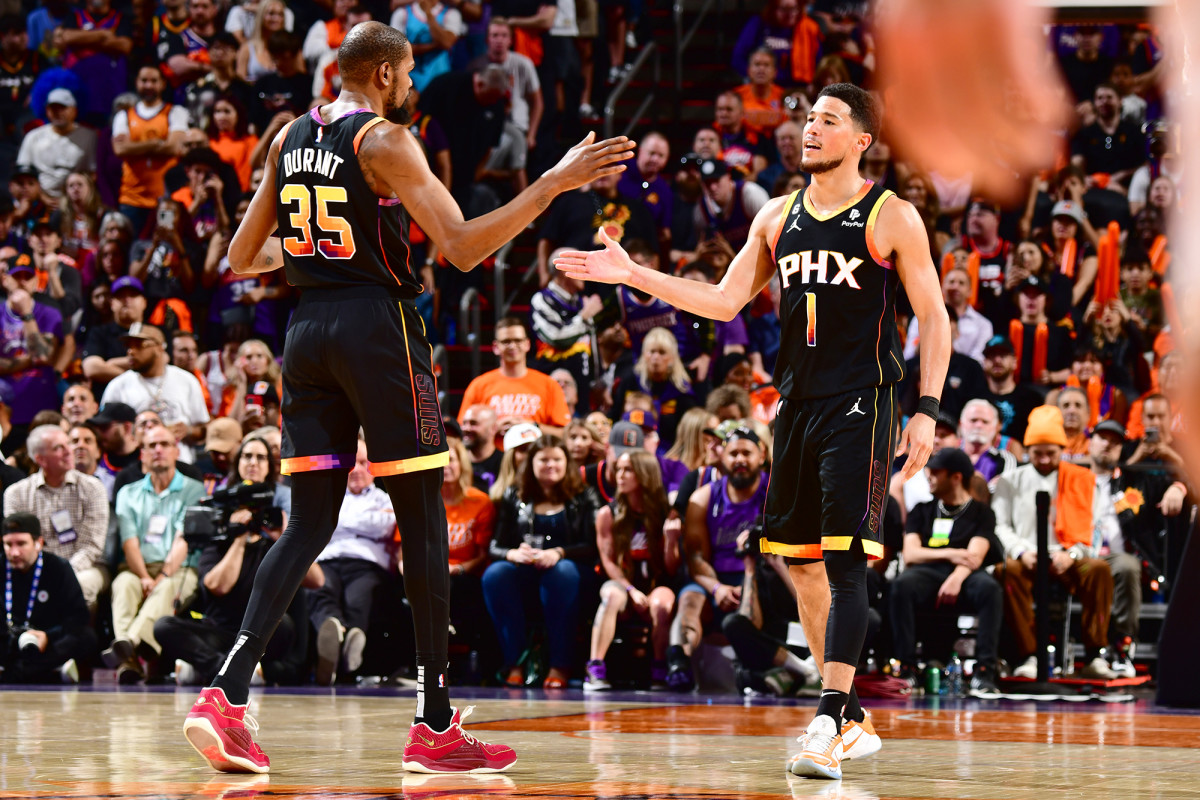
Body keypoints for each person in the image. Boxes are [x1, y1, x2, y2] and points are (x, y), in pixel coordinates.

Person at [182, 20, 632, 775]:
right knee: (422, 515)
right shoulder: (385, 141)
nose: (415, 85)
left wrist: (316, 255)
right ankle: (433, 722)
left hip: (307, 331)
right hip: (377, 328)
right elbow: (461, 246)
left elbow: (238, 257)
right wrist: (555, 181)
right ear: (387, 74)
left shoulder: (290, 134)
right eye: (412, 72)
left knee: (309, 520)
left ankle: (226, 693)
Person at [556, 82, 950, 779]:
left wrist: (926, 407)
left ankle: (828, 719)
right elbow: (722, 299)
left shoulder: (892, 216)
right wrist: (633, 273)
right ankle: (851, 715)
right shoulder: (776, 214)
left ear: (862, 140)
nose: (811, 129)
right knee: (797, 561)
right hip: (793, 408)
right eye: (809, 119)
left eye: (830, 121)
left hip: (864, 402)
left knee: (844, 557)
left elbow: (934, 315)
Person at [992, 406, 1116, 681]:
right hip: (1028, 558)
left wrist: (1071, 554)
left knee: (1097, 570)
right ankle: (1029, 655)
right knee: (1006, 571)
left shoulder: (1082, 480)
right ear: (1027, 451)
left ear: (1063, 449)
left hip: (1070, 557)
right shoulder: (1010, 481)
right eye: (1038, 453)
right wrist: (1021, 551)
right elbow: (1000, 525)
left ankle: (1095, 654)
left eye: (1052, 452)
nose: (1045, 459)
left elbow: (1092, 528)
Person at [482, 435, 597, 689]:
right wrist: (513, 554)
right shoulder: (515, 494)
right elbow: (494, 546)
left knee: (561, 573)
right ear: (531, 463)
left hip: (571, 573)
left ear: (567, 462)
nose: (550, 465)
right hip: (526, 569)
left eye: (557, 459)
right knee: (496, 574)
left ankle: (560, 665)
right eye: (543, 459)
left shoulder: (584, 495)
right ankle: (515, 662)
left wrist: (558, 553)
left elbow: (592, 546)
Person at [889, 448, 1003, 696]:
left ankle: (984, 672)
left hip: (965, 575)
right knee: (901, 586)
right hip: (928, 572)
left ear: (956, 477)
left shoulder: (982, 513)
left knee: (990, 589)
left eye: (935, 472)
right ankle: (907, 669)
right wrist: (950, 553)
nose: (928, 477)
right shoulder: (922, 510)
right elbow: (911, 554)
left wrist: (956, 578)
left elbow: (975, 556)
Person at [106, 424, 207, 682]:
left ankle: (127, 645)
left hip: (180, 568)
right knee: (123, 584)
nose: (158, 450)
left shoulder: (194, 489)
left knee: (166, 588)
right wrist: (142, 576)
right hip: (138, 567)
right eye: (151, 446)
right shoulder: (128, 492)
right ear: (142, 454)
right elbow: (130, 542)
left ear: (176, 451)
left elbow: (182, 539)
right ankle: (132, 658)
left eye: (164, 444)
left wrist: (160, 576)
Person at [584, 450, 680, 690]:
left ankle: (659, 669)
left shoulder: (664, 511)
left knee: (661, 603)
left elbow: (671, 568)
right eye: (618, 469)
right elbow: (608, 562)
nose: (620, 475)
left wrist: (670, 541)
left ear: (645, 475)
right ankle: (595, 667)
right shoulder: (608, 513)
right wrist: (630, 589)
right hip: (622, 584)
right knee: (611, 595)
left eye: (628, 470)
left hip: (656, 584)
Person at [3, 425, 111, 614]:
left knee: (80, 586)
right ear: (40, 459)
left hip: (87, 567)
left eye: (68, 444)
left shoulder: (93, 488)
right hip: (33, 567)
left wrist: (62, 574)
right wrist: (43, 571)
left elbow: (92, 546)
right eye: (58, 448)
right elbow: (18, 543)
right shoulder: (16, 494)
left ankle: (78, 640)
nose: (69, 450)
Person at [0, 513, 96, 684]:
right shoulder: (2, 567)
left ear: (39, 543)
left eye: (21, 544)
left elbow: (78, 617)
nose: (14, 552)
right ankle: (49, 674)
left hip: (47, 641)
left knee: (85, 637)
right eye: (8, 545)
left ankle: (17, 673)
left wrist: (48, 636)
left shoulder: (58, 568)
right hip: (10, 641)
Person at [100, 323, 210, 462]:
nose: (131, 351)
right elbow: (105, 434)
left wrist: (188, 430)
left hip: (181, 465)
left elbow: (203, 430)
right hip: (134, 466)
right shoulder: (118, 386)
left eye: (139, 345)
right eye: (128, 346)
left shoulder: (186, 381)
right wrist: (130, 435)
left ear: (160, 348)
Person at [458, 317, 571, 436]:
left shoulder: (549, 385)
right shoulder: (479, 386)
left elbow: (564, 434)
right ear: (496, 347)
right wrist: (493, 428)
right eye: (506, 341)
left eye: (518, 340)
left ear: (527, 344)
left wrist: (531, 426)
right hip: (493, 453)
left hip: (534, 452)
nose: (512, 346)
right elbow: (463, 430)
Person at [15, 88, 97, 203]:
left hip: (76, 201)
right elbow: (22, 173)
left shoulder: (89, 136)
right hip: (38, 202)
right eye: (53, 108)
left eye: (62, 108)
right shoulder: (33, 137)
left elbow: (92, 173)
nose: (57, 112)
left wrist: (72, 199)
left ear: (74, 110)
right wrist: (42, 197)